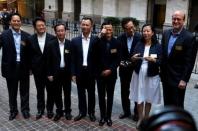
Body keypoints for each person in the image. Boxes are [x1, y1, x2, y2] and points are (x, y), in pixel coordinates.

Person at [160, 10, 196, 108]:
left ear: (183, 21)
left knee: (177, 105)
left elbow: (189, 61)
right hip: (165, 77)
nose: (175, 21)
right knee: (167, 103)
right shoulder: (166, 34)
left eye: (178, 19)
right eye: (174, 19)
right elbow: (163, 55)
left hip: (178, 79)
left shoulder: (189, 37)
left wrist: (184, 79)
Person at [130, 24, 162, 127]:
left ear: (152, 33)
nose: (146, 33)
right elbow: (133, 58)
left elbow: (161, 61)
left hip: (151, 75)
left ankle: (147, 118)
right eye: (144, 31)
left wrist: (154, 60)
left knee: (149, 97)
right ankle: (140, 118)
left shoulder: (157, 46)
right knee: (139, 97)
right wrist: (133, 58)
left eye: (148, 31)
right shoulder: (139, 44)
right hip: (139, 74)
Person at [0, 13, 31, 120]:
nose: (16, 22)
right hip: (10, 68)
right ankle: (13, 111)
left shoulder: (27, 36)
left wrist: (31, 68)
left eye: (18, 21)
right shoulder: (4, 35)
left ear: (21, 22)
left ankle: (25, 110)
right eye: (14, 21)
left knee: (25, 91)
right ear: (10, 22)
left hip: (23, 67)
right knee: (12, 91)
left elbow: (30, 53)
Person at [95, 21, 121, 126]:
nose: (108, 31)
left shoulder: (117, 42)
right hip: (100, 74)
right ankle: (102, 116)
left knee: (110, 96)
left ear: (113, 30)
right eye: (106, 29)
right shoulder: (98, 41)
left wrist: (110, 69)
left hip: (111, 74)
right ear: (103, 30)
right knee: (101, 96)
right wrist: (100, 35)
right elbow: (93, 55)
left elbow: (118, 59)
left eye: (110, 29)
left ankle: (108, 117)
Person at [29, 17, 55, 120]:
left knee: (50, 91)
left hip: (49, 71)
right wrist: (31, 68)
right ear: (35, 28)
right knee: (40, 91)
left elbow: (55, 56)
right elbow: (29, 55)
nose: (41, 27)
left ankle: (49, 110)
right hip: (38, 71)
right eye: (39, 25)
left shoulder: (52, 38)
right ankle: (40, 109)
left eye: (43, 25)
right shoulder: (31, 39)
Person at [71, 17, 96, 122]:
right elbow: (72, 59)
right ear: (80, 25)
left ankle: (91, 113)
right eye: (83, 24)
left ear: (91, 26)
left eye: (87, 25)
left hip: (91, 72)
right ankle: (82, 112)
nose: (85, 26)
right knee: (81, 93)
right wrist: (73, 74)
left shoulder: (96, 40)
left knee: (91, 94)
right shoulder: (75, 40)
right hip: (79, 72)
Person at [46, 23, 72, 121]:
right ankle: (59, 111)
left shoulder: (70, 44)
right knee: (57, 93)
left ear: (65, 31)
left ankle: (68, 111)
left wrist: (73, 74)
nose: (60, 32)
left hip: (66, 73)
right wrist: (49, 74)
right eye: (58, 31)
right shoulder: (50, 44)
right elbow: (47, 61)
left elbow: (72, 60)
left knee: (67, 94)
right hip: (55, 74)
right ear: (55, 32)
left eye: (62, 30)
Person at [117, 18, 141, 121]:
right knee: (124, 91)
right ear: (124, 29)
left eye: (132, 27)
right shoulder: (120, 38)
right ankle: (126, 111)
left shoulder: (140, 38)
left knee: (136, 91)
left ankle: (136, 113)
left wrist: (131, 62)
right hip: (124, 70)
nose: (131, 30)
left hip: (136, 70)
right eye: (128, 28)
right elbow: (119, 56)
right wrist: (126, 62)